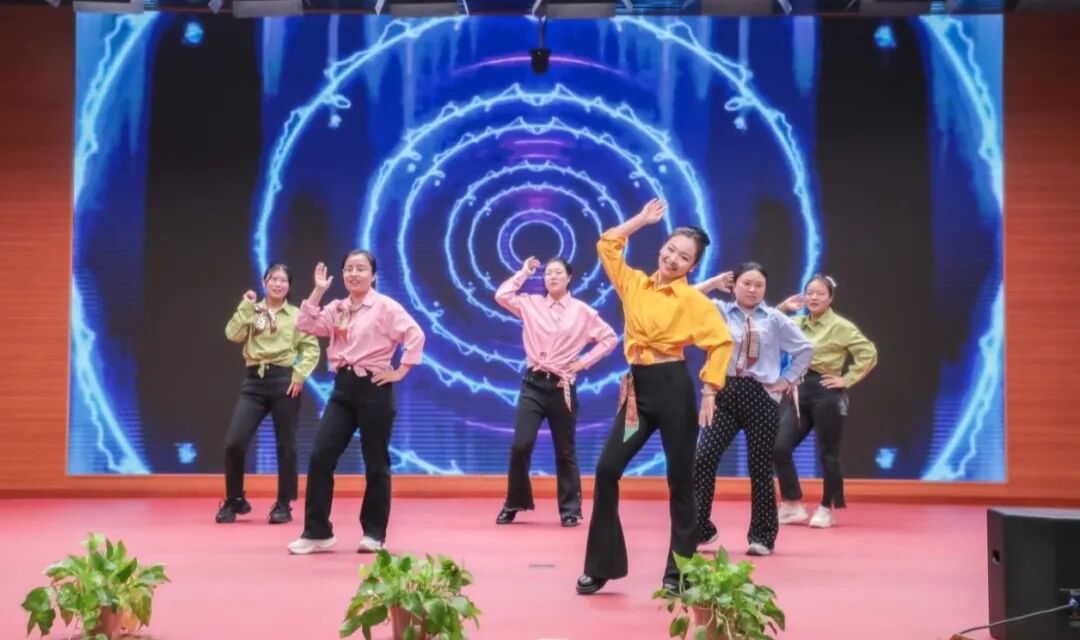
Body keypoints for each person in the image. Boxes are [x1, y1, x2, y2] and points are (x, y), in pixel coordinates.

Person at [576, 198, 733, 595]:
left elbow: (720, 342)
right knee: (607, 469)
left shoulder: (693, 301)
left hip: (673, 389)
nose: (673, 259)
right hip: (638, 391)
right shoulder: (634, 284)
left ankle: (679, 572)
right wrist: (641, 220)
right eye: (670, 250)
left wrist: (710, 388)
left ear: (692, 266)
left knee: (680, 480)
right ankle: (602, 565)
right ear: (662, 247)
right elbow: (607, 245)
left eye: (684, 257)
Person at [286, 251, 425, 555]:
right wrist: (318, 290)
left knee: (376, 463)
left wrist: (400, 371)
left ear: (373, 275)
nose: (354, 274)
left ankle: (374, 534)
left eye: (361, 269)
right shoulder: (337, 307)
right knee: (320, 456)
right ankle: (317, 532)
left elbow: (415, 335)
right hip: (342, 390)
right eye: (349, 269)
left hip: (374, 389)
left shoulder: (386, 307)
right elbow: (305, 325)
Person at [692, 265, 813, 555]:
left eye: (759, 285)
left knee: (760, 467)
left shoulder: (775, 319)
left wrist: (787, 380)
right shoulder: (719, 311)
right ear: (734, 286)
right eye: (746, 283)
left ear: (765, 290)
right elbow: (684, 297)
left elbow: (805, 349)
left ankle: (762, 537)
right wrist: (713, 282)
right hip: (723, 393)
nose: (752, 289)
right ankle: (699, 529)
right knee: (703, 457)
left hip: (761, 395)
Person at [494, 256, 618, 527]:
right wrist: (524, 272)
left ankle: (570, 510)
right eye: (548, 272)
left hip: (562, 386)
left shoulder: (583, 312)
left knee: (565, 450)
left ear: (569, 277)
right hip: (533, 384)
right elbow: (502, 295)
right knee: (520, 445)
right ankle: (514, 502)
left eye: (558, 272)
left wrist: (583, 363)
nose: (552, 276)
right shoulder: (530, 304)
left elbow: (610, 338)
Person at [772, 274, 878, 528]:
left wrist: (847, 379)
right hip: (799, 390)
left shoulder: (841, 326)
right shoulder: (797, 323)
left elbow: (868, 353)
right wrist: (782, 308)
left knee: (828, 454)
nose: (814, 297)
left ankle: (826, 508)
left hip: (826, 392)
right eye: (810, 292)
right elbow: (768, 326)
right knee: (779, 447)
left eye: (820, 293)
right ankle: (792, 504)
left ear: (831, 298)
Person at [218, 263, 319, 525]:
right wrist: (245, 306)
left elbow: (311, 349)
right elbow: (232, 335)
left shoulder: (297, 315)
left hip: (284, 380)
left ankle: (284, 503)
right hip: (254, 381)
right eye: (273, 279)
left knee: (286, 445)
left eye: (283, 280)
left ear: (289, 286)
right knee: (234, 442)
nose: (278, 284)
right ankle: (234, 499)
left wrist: (299, 375)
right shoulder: (253, 310)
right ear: (264, 282)